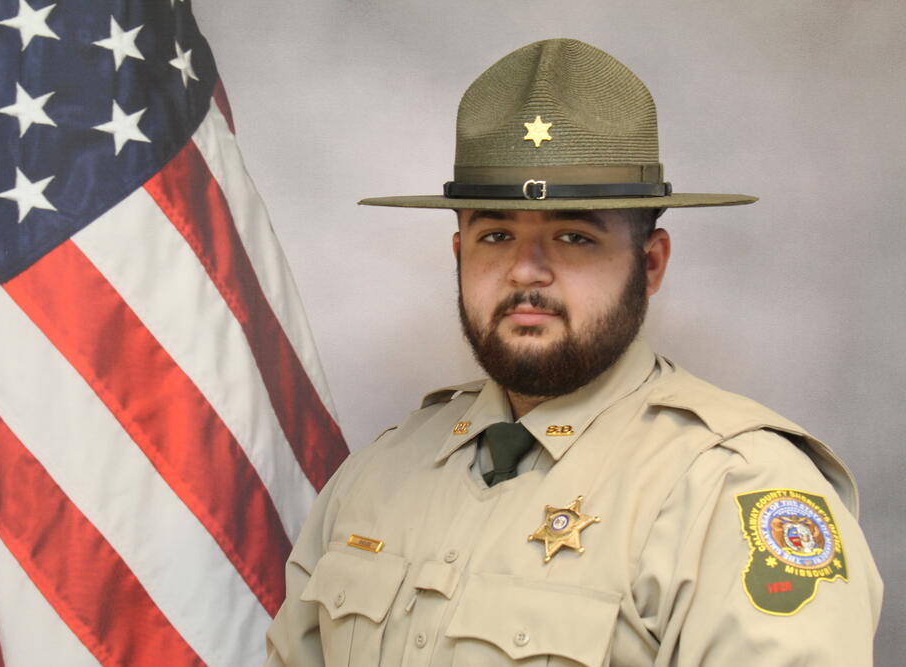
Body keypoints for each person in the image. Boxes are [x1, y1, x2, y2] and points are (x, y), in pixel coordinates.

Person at [264, 38, 882, 666]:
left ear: (652, 263)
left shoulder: (731, 490)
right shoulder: (374, 479)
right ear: (458, 256)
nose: (526, 272)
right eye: (496, 235)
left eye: (574, 236)